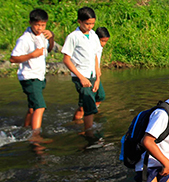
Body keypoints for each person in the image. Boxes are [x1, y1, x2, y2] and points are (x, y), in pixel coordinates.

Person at [9, 8, 55, 140]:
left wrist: (51, 38)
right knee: (40, 107)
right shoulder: (24, 39)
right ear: (30, 23)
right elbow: (13, 58)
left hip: (39, 76)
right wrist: (32, 55)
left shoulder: (42, 36)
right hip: (29, 77)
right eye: (37, 25)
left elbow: (49, 49)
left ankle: (25, 127)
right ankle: (35, 135)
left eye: (43, 25)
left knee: (32, 108)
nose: (40, 28)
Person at [61, 7, 102, 134]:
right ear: (79, 21)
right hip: (81, 75)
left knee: (100, 95)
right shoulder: (73, 37)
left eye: (92, 23)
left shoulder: (94, 35)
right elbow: (66, 59)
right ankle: (88, 131)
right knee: (89, 104)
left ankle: (79, 120)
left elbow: (95, 55)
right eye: (87, 24)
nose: (90, 26)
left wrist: (98, 75)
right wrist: (81, 77)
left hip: (92, 74)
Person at [73, 26, 110, 121]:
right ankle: (77, 121)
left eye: (106, 41)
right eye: (102, 41)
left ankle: (92, 110)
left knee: (100, 96)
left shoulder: (98, 47)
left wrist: (98, 76)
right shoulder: (89, 45)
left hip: (94, 76)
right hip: (85, 75)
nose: (103, 44)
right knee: (83, 106)